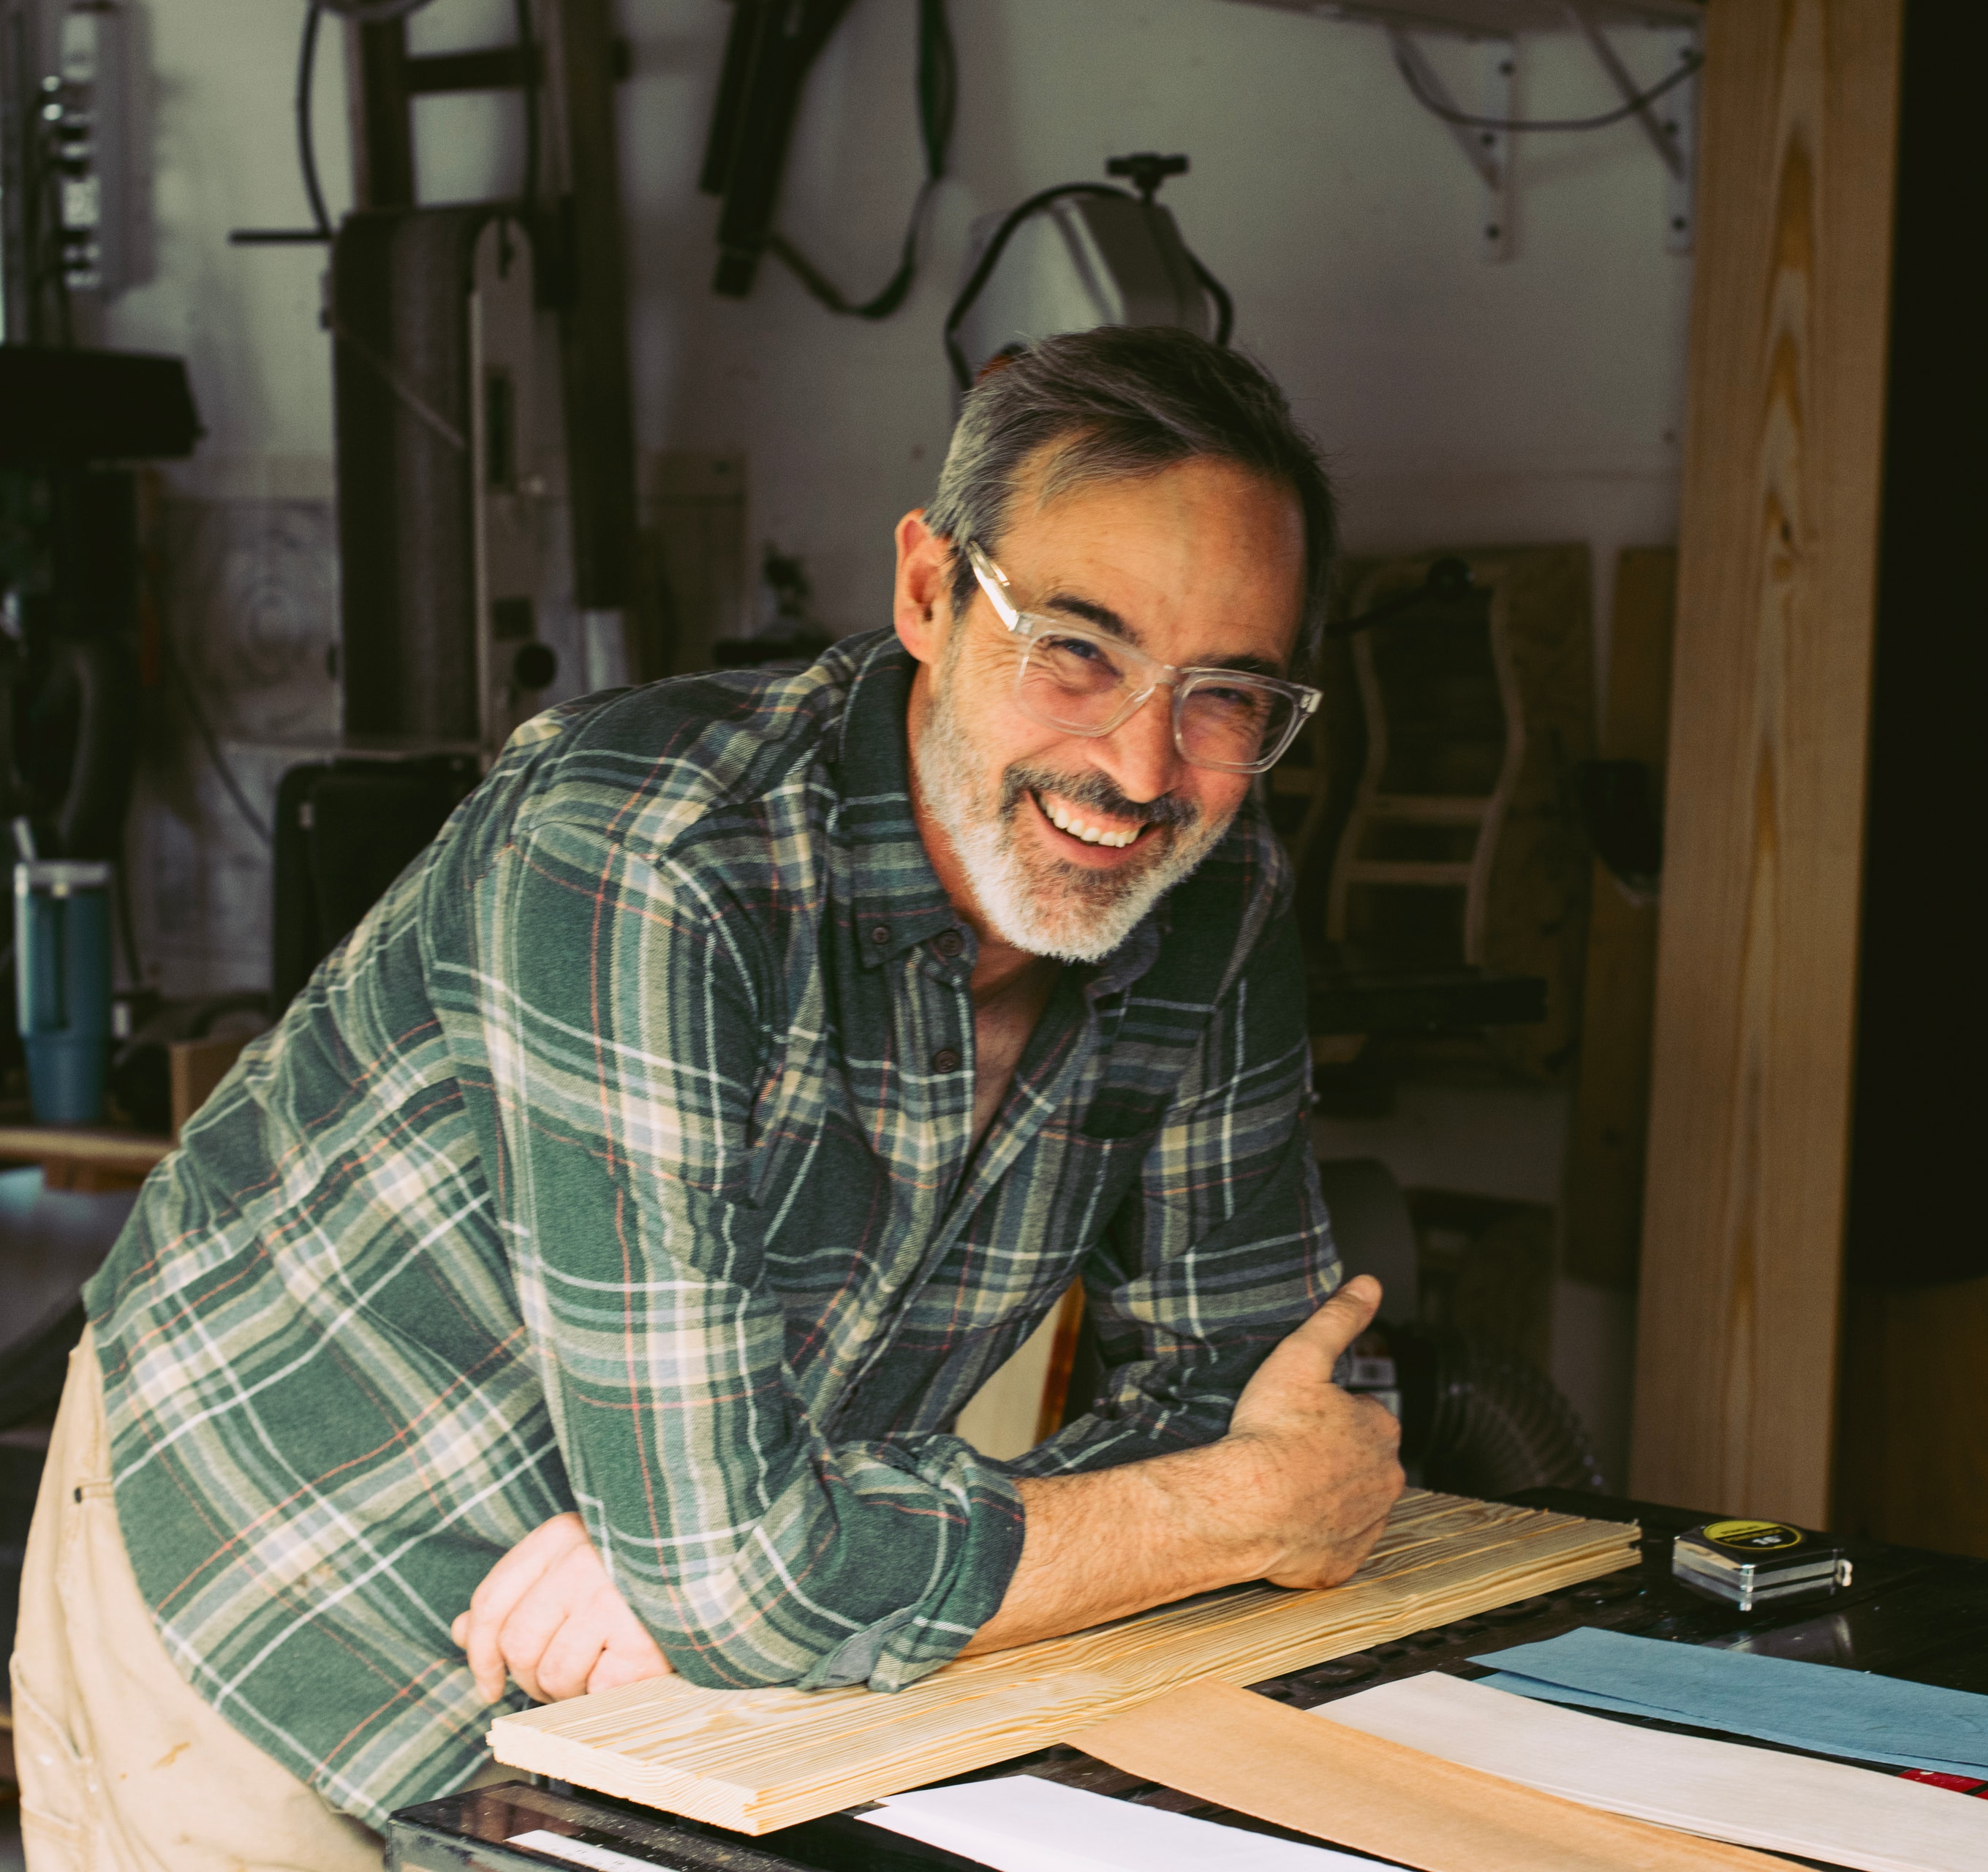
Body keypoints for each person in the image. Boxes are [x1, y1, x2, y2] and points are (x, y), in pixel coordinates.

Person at [12, 325, 1404, 1871]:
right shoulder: (649, 855)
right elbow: (1258, 1487)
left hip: (673, 1672)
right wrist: (1222, 1514)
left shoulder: (1215, 905)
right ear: (929, 592)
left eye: (1227, 696)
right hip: (280, 1571)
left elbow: (1263, 1401)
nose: (1141, 764)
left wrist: (783, 1555)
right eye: (1079, 647)